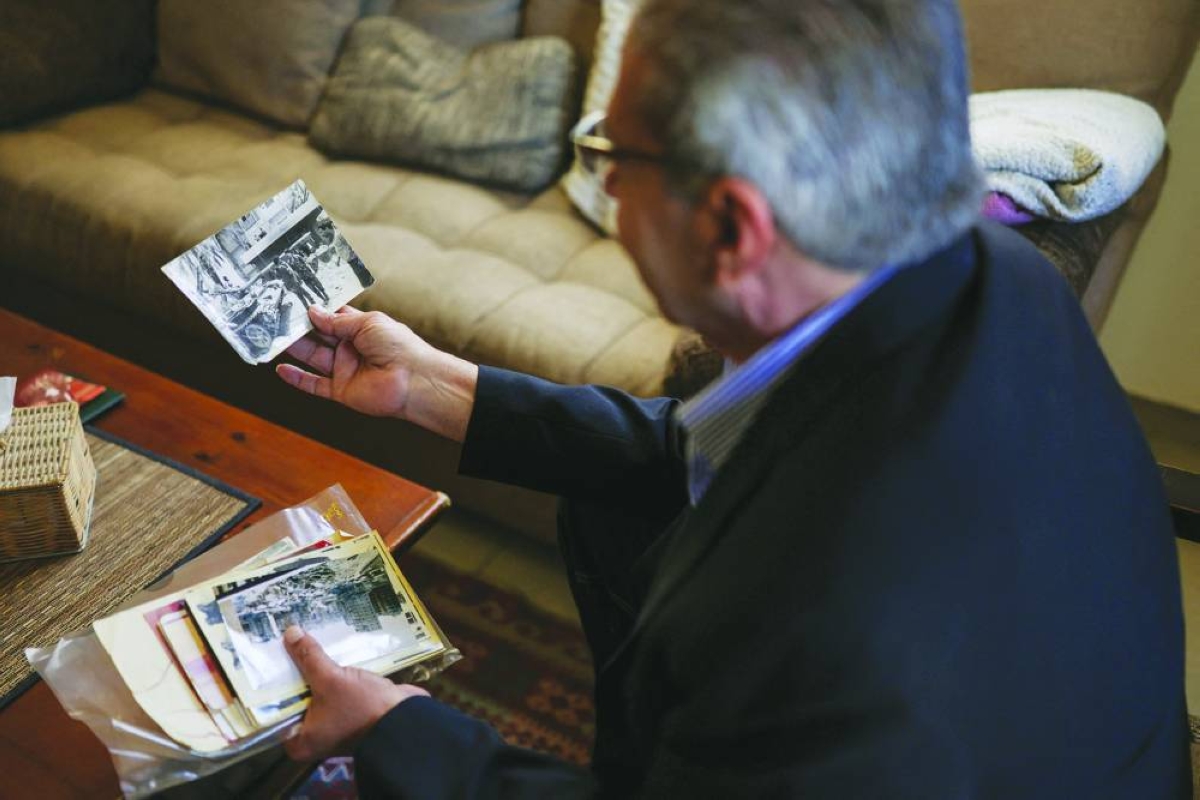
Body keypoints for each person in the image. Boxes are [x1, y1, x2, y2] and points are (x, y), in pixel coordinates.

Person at [275, 0, 1190, 796]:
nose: (610, 184)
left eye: (611, 155)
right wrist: (431, 387)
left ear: (731, 227)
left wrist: (398, 734)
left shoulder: (808, 641)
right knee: (612, 508)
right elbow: (730, 446)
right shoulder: (997, 277)